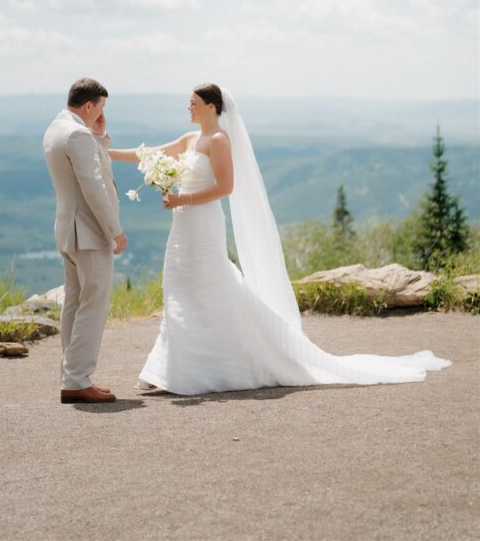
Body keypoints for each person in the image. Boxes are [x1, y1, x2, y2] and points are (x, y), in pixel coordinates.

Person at [109, 83, 452, 396]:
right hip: (182, 228)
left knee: (210, 287)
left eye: (193, 102)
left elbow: (226, 187)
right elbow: (149, 153)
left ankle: (185, 368)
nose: (189, 107)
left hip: (202, 223)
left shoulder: (219, 141)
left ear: (212, 107)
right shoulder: (188, 139)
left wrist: (183, 199)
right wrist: (105, 152)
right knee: (179, 289)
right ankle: (169, 366)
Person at [43, 77, 127, 404]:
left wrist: (98, 133)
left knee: (75, 304)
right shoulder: (77, 134)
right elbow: (93, 185)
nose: (102, 113)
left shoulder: (57, 128)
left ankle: (73, 375)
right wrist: (114, 229)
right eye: (100, 107)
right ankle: (77, 380)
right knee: (93, 304)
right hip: (89, 231)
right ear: (89, 104)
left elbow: (88, 164)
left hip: (67, 229)